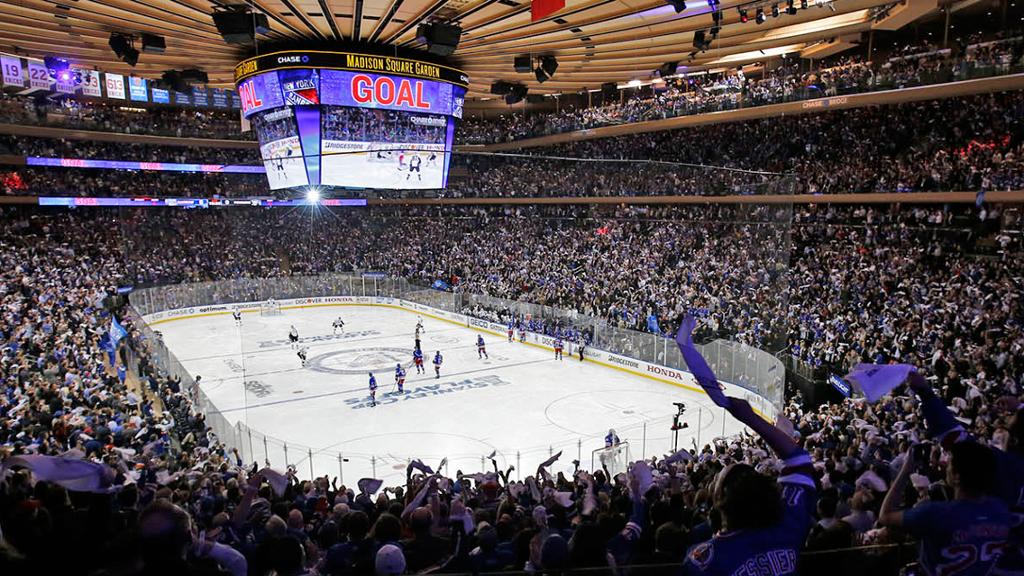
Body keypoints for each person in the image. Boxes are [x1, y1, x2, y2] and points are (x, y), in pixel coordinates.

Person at [878, 441, 1012, 576]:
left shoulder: (934, 513)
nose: (946, 466)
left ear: (957, 477)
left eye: (950, 464)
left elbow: (885, 515)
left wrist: (905, 469)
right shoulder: (1001, 509)